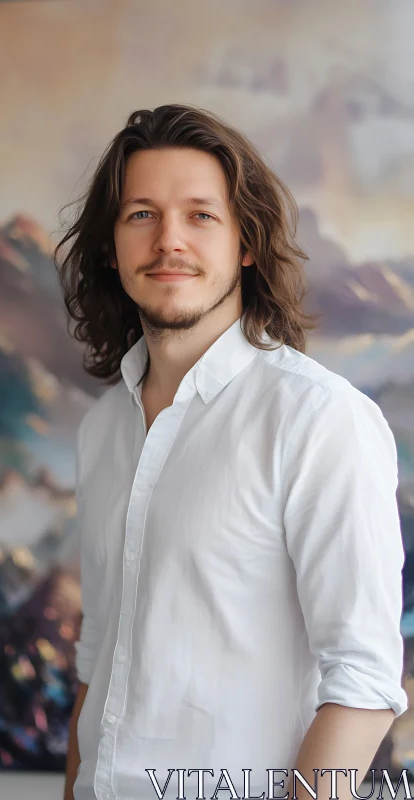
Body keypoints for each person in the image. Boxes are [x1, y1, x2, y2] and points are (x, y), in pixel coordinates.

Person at [54, 104, 408, 800]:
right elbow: (98, 663)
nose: (168, 242)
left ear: (246, 243)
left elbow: (363, 680)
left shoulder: (319, 419)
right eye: (141, 215)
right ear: (111, 245)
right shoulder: (102, 431)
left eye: (200, 215)